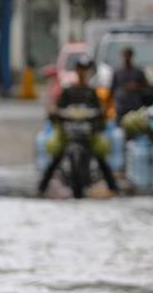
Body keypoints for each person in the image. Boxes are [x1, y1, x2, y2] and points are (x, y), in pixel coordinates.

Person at [39, 56, 119, 195]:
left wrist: (101, 118)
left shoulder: (91, 91)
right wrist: (54, 113)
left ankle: (113, 187)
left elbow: (101, 112)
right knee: (57, 157)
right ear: (76, 70)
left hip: (88, 133)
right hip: (69, 132)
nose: (82, 73)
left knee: (100, 157)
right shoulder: (68, 90)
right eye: (80, 69)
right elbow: (57, 108)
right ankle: (41, 187)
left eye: (85, 70)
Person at [111, 46, 148, 120]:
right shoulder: (117, 71)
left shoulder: (138, 71)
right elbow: (113, 87)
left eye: (128, 55)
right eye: (125, 55)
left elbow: (145, 85)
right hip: (121, 105)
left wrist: (136, 86)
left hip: (135, 104)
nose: (127, 57)